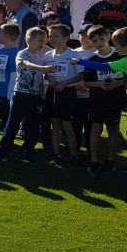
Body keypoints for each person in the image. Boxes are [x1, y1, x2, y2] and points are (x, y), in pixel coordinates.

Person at [72, 26, 127, 181]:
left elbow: (103, 66)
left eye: (117, 46)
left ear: (126, 47)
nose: (116, 48)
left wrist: (79, 61)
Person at [0, 27, 55, 164]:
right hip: (20, 94)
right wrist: (42, 69)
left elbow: (44, 78)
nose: (42, 44)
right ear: (29, 40)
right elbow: (27, 64)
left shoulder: (41, 59)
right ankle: (2, 150)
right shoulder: (22, 54)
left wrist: (49, 82)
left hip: (35, 96)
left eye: (44, 41)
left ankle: (29, 151)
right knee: (13, 124)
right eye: (39, 40)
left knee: (33, 126)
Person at [80, 25, 126, 175]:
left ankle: (111, 160)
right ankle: (94, 160)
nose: (99, 43)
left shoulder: (119, 56)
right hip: (97, 100)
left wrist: (118, 83)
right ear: (90, 42)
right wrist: (99, 84)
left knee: (113, 129)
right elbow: (86, 82)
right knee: (96, 130)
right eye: (94, 41)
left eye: (101, 39)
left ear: (108, 37)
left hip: (115, 99)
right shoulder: (91, 59)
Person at [43, 24, 82, 165]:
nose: (52, 39)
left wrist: (65, 83)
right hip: (53, 93)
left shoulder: (73, 54)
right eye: (50, 35)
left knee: (67, 126)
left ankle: (73, 155)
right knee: (55, 125)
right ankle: (56, 154)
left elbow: (81, 75)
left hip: (68, 93)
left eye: (56, 36)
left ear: (66, 38)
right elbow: (46, 74)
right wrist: (50, 79)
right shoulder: (48, 55)